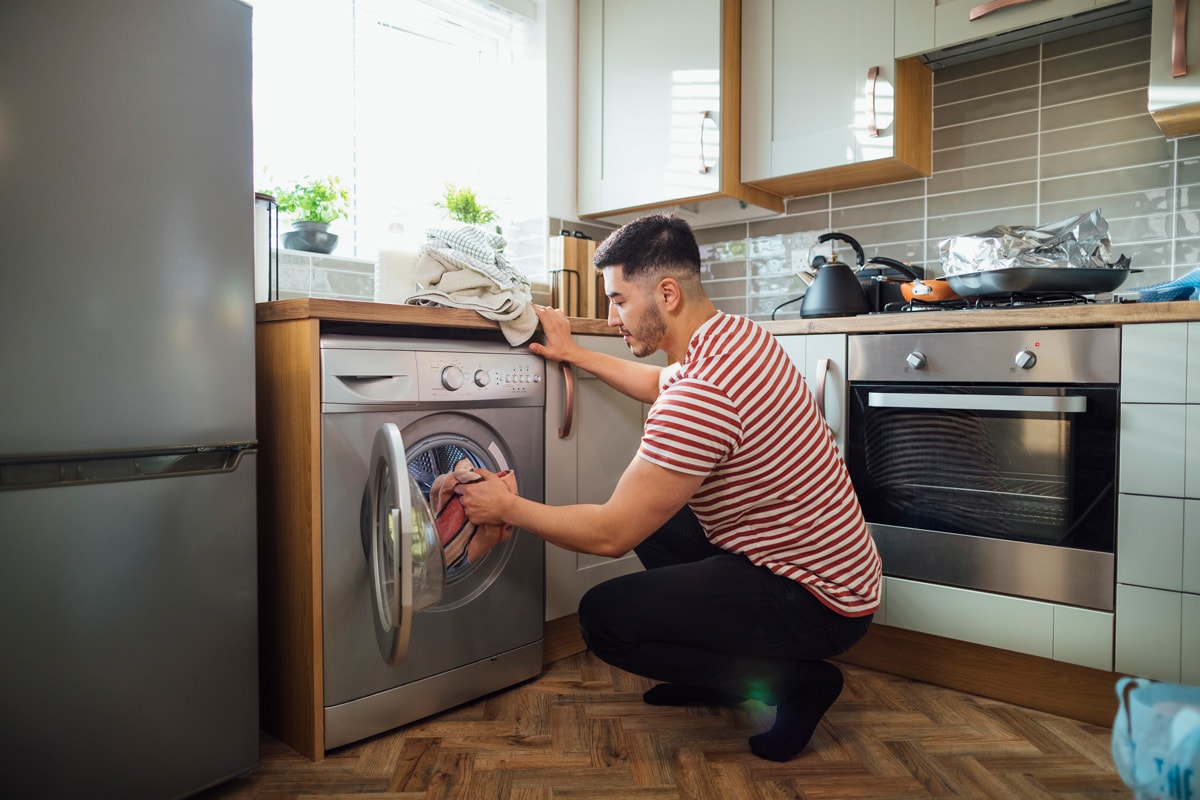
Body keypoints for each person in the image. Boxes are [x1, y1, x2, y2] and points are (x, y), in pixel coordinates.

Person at [454, 212, 881, 762]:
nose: (611, 319)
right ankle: (727, 676)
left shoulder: (704, 393)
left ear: (668, 293)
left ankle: (795, 683)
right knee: (657, 525)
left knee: (605, 620)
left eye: (618, 300)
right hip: (830, 566)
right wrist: (574, 354)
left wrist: (507, 506)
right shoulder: (736, 338)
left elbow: (609, 533)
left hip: (820, 602)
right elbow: (659, 381)